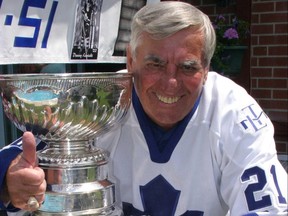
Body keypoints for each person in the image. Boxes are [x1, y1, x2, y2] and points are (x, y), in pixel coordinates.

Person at [0, 1, 287, 215]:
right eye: (155, 64)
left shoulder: (233, 113)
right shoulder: (101, 104)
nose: (170, 82)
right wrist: (12, 181)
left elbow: (267, 209)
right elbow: (18, 162)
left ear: (207, 67)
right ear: (130, 60)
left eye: (188, 67)